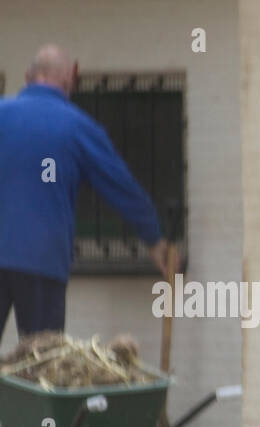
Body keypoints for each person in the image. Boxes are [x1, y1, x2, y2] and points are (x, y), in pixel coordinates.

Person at [0, 45, 172, 340]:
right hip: (44, 262)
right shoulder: (78, 127)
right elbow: (121, 186)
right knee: (44, 366)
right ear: (70, 82)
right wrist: (154, 239)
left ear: (28, 76)